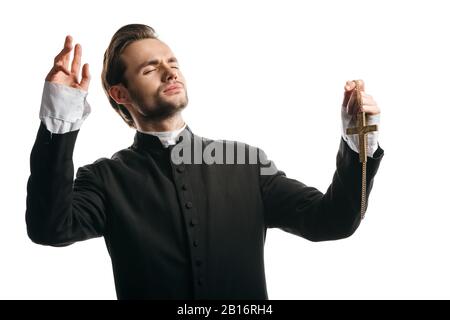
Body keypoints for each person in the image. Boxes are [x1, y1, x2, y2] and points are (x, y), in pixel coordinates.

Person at [26, 24, 384, 300]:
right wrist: (60, 118)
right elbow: (50, 228)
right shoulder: (104, 179)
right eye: (150, 70)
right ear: (120, 94)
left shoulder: (244, 162)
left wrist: (359, 142)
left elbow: (333, 221)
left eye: (173, 63)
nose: (170, 73)